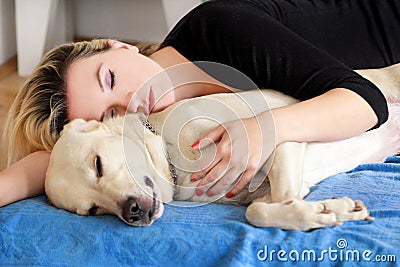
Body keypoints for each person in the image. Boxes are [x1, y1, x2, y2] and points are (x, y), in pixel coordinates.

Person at [1, 0, 399, 207]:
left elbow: (366, 102)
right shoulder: (155, 128)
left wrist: (266, 127)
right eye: (110, 115)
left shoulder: (219, 28)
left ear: (117, 44)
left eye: (110, 78)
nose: (129, 101)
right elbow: (52, 161)